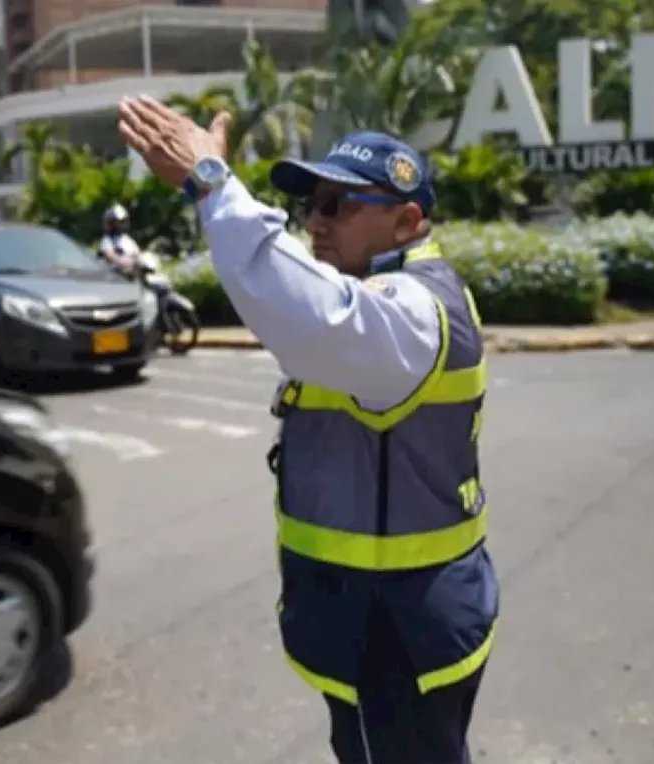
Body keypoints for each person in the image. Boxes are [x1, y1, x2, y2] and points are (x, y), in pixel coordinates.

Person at [118, 95, 497, 764]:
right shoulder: (384, 290)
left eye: (339, 206)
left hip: (399, 638)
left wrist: (212, 183)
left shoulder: (412, 305)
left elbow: (307, 313)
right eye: (311, 204)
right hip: (374, 626)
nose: (315, 224)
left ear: (407, 220)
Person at [97, 203, 140, 274]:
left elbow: (137, 253)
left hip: (129, 273)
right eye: (118, 222)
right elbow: (109, 254)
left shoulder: (127, 239)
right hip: (112, 276)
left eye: (122, 222)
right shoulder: (107, 240)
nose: (121, 225)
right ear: (111, 223)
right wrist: (124, 261)